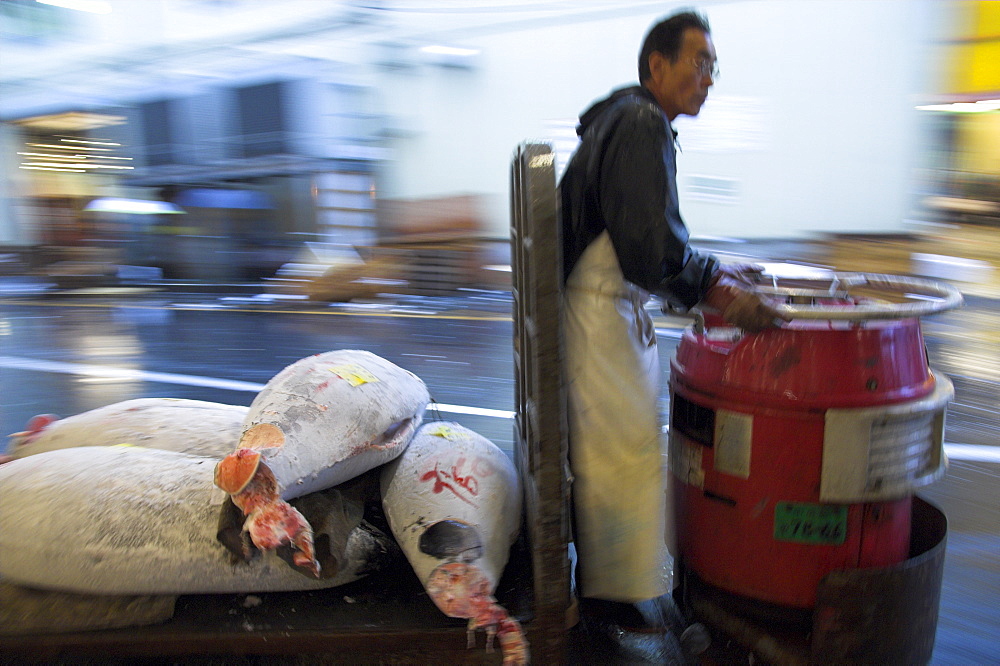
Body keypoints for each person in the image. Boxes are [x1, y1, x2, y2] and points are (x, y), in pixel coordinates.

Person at [559, 10, 787, 632]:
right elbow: (649, 248)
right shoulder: (638, 122)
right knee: (618, 452)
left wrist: (716, 268)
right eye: (698, 61)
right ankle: (610, 607)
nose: (708, 76)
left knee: (622, 451)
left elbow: (655, 238)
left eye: (714, 65)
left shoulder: (631, 121)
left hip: (605, 308)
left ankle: (619, 588)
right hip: (597, 313)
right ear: (656, 66)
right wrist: (717, 288)